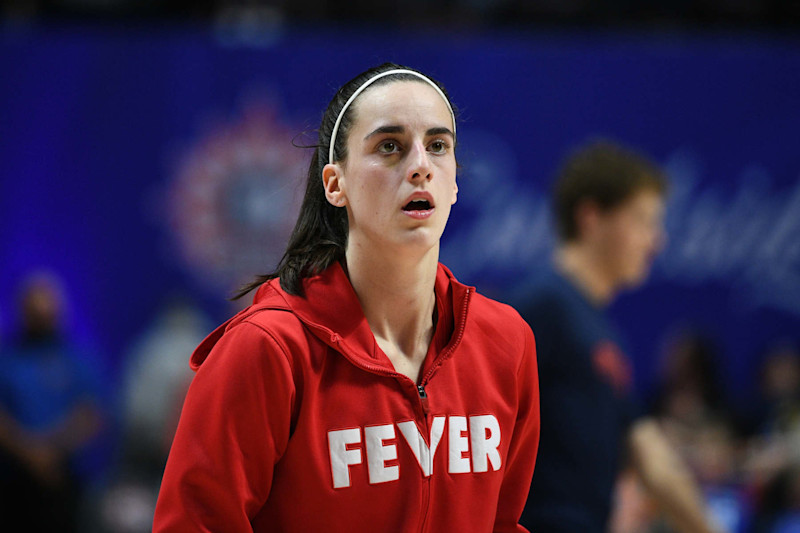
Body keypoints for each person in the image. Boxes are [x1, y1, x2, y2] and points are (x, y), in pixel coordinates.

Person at [153, 63, 540, 532]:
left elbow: (502, 522)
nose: (420, 165)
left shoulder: (505, 340)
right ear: (335, 184)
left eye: (438, 146)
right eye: (390, 147)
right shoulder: (267, 349)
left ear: (456, 180)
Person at [517, 140, 720, 532]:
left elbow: (649, 455)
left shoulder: (600, 331)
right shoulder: (538, 309)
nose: (656, 240)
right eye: (644, 220)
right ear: (591, 217)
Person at [0, 271, 105, 532]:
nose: (43, 317)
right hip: (15, 481)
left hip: (67, 480)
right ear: (23, 312)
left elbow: (91, 414)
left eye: (48, 311)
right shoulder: (8, 360)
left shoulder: (78, 359)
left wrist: (51, 451)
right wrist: (30, 453)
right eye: (35, 312)